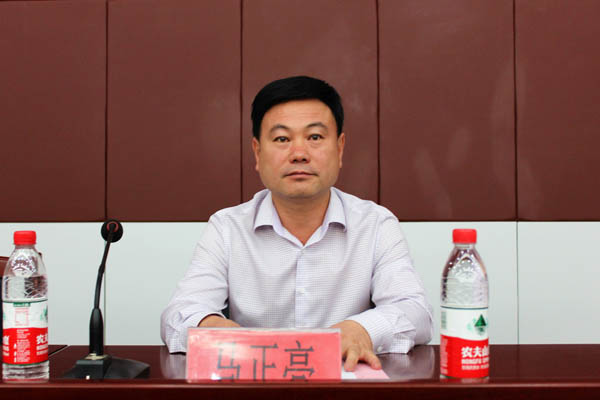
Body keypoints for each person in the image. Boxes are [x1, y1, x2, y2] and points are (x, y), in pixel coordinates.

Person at [161, 76, 432, 371]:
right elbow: (179, 314)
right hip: (255, 386)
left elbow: (415, 312)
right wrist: (212, 325)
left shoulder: (376, 224)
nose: (299, 154)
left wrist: (362, 329)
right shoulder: (227, 228)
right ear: (257, 152)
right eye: (282, 139)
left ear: (340, 148)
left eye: (314, 137)